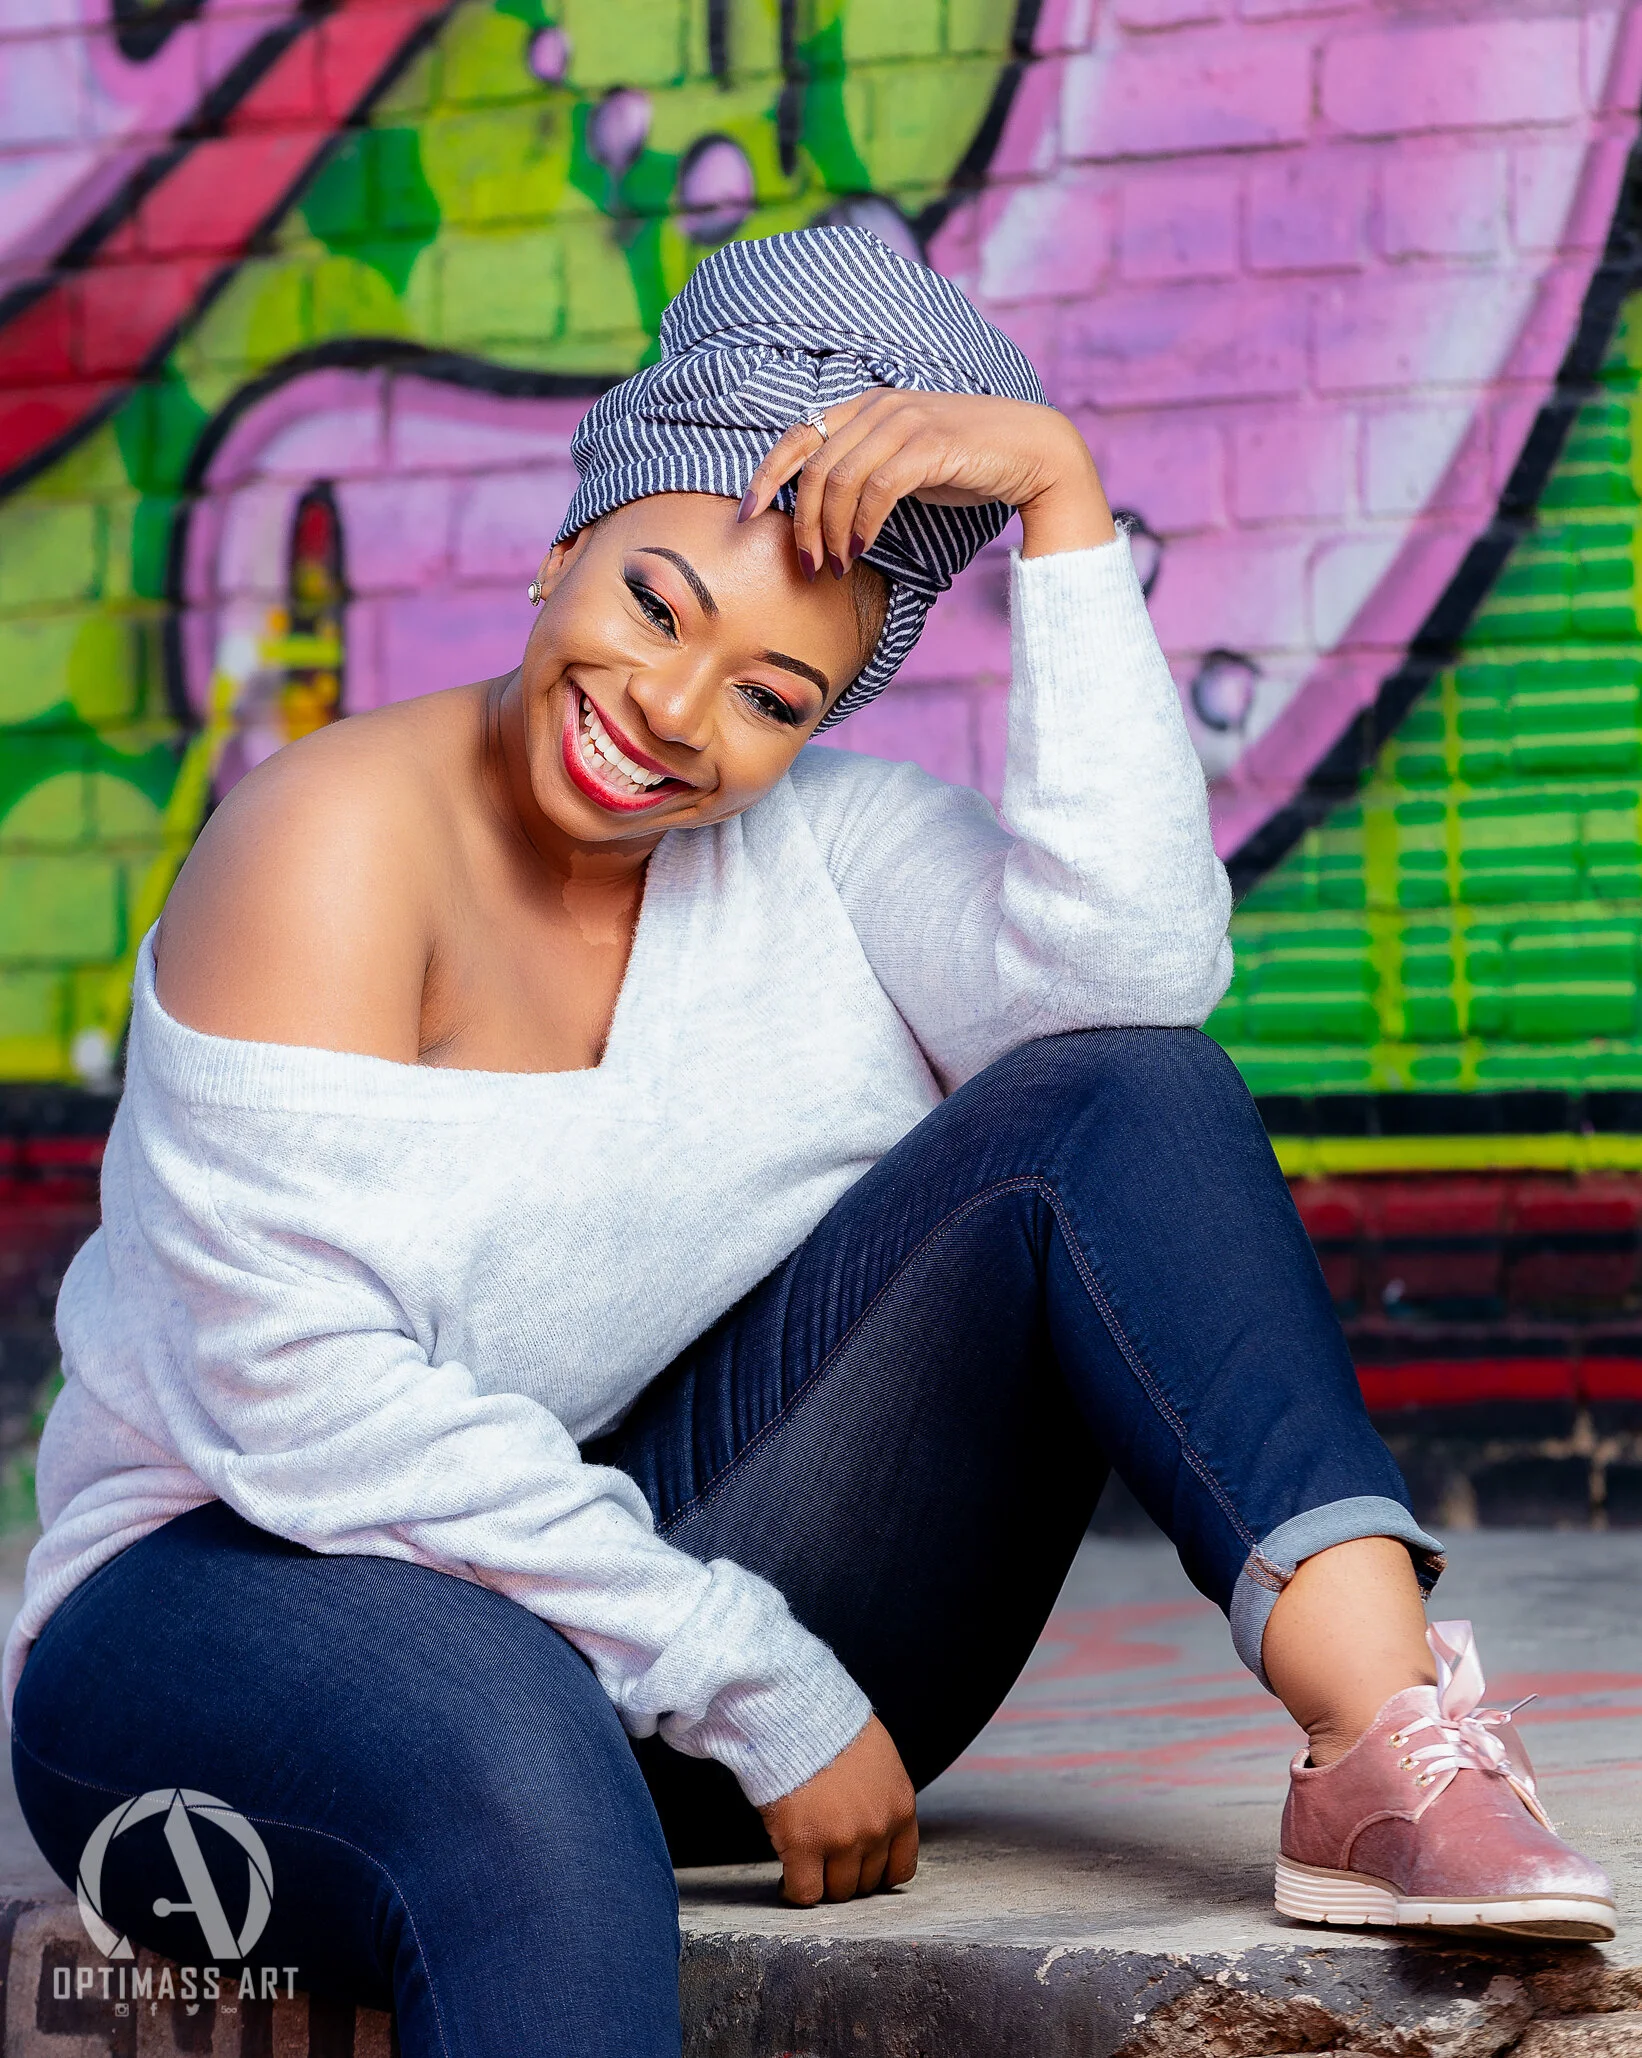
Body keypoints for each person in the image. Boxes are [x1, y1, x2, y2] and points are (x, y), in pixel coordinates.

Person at [4, 228, 1613, 2058]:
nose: (672, 714)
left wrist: (1057, 496)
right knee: (511, 1752)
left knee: (1119, 1092)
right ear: (560, 552)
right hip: (217, 1619)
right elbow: (299, 1400)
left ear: (825, 718)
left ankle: (1383, 1748)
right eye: (657, 602)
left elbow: (1134, 977)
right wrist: (750, 1675)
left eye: (773, 693)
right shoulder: (328, 840)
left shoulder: (830, 860)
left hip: (644, 1626)